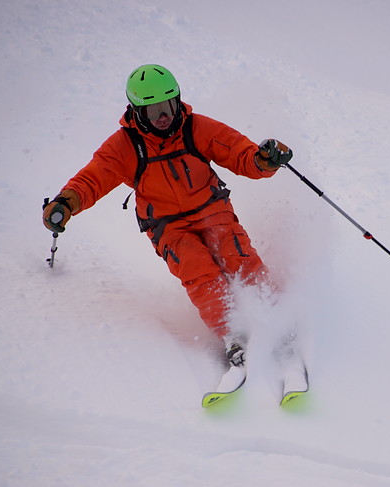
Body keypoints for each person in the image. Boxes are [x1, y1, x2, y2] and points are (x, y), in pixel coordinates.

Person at [42, 64, 292, 369]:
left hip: (212, 210)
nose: (164, 116)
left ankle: (276, 316)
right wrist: (66, 203)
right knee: (199, 270)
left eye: (169, 106)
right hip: (168, 225)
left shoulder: (197, 128)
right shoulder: (124, 146)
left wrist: (264, 160)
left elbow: (242, 155)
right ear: (137, 111)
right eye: (153, 110)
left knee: (237, 255)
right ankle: (232, 333)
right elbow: (93, 178)